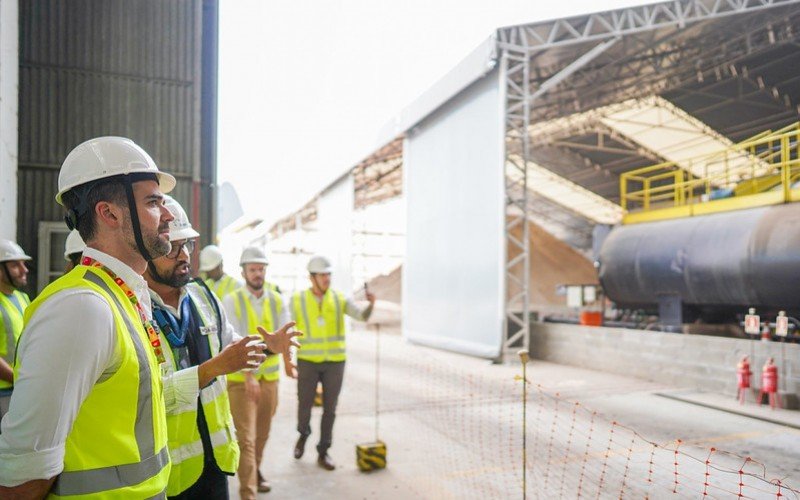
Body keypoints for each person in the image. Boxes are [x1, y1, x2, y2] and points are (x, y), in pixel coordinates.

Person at [0, 136, 178, 498]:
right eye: (154, 202)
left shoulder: (122, 294)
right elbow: (24, 473)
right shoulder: (82, 307)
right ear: (109, 213)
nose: (169, 214)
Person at [145, 197, 299, 499]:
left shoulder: (205, 300)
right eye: (172, 247)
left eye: (187, 245)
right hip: (166, 475)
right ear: (147, 253)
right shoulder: (134, 309)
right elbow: (143, 398)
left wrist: (268, 348)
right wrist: (213, 368)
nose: (184, 255)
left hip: (215, 463)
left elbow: (234, 347)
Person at [290, 255, 375, 470]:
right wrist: (285, 357)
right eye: (322, 274)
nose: (326, 278)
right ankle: (303, 434)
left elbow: (361, 316)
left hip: (335, 362)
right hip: (307, 360)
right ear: (312, 278)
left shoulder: (339, 298)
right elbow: (287, 327)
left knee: (330, 409)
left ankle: (324, 450)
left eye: (328, 274)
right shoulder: (298, 299)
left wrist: (371, 305)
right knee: (304, 405)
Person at [222, 246, 290, 498]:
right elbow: (234, 343)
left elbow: (284, 338)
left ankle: (256, 471)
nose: (257, 273)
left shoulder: (276, 299)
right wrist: (249, 375)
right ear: (243, 272)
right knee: (246, 440)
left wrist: (287, 360)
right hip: (242, 382)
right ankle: (247, 492)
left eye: (261, 269)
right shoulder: (232, 300)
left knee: (262, 435)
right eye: (253, 269)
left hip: (270, 378)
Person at [0, 239, 32, 423]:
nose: (24, 269)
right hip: (5, 390)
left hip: (20, 388)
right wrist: (17, 378)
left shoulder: (23, 298)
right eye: (15, 265)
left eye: (23, 263)